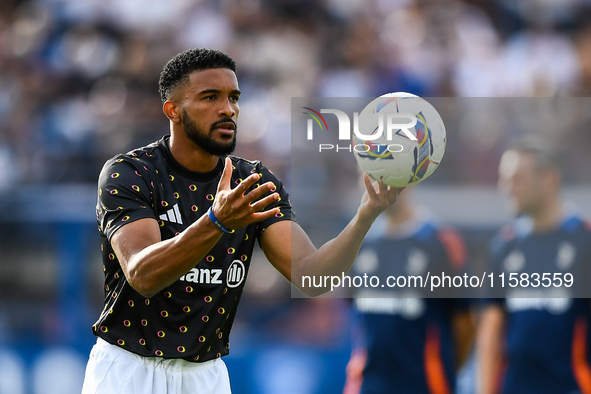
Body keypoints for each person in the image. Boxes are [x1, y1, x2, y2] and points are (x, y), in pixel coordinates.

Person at [81, 48, 401, 394]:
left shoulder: (253, 183)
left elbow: (311, 276)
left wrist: (365, 215)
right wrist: (216, 221)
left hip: (206, 376)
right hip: (128, 371)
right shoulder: (130, 173)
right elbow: (143, 274)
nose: (228, 109)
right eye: (210, 97)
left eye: (234, 97)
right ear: (173, 110)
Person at [478, 137, 591, 394]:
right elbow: (490, 333)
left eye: (517, 179)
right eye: (503, 179)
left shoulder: (585, 241)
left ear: (548, 180)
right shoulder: (504, 245)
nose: (506, 188)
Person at [342, 188, 474, 394]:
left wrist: (444, 372)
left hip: (424, 386)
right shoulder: (359, 241)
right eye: (367, 174)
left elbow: (465, 324)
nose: (376, 185)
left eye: (385, 173)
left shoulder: (441, 242)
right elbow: (358, 321)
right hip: (367, 386)